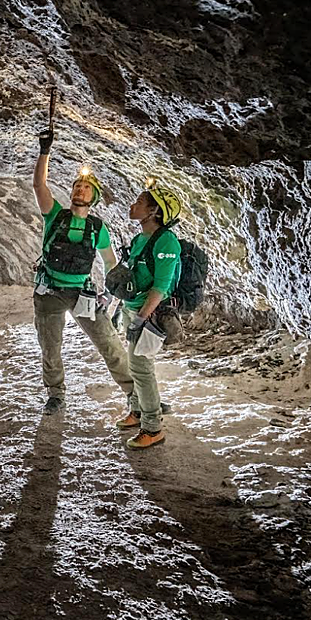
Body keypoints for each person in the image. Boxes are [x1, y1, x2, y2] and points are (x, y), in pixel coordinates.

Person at [31, 128, 136, 415]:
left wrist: (109, 296)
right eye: (77, 186)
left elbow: (111, 264)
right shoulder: (55, 215)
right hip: (50, 291)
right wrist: (45, 151)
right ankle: (55, 393)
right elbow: (39, 186)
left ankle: (136, 395)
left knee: (110, 345)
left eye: (86, 187)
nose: (80, 189)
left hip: (82, 293)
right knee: (51, 348)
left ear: (94, 197)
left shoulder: (97, 228)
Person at [117, 183, 184, 450]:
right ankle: (137, 411)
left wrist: (141, 318)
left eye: (139, 202)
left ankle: (153, 427)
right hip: (131, 307)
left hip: (150, 313)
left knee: (141, 369)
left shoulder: (166, 241)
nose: (133, 206)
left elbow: (161, 286)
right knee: (134, 365)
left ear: (154, 211)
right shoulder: (140, 239)